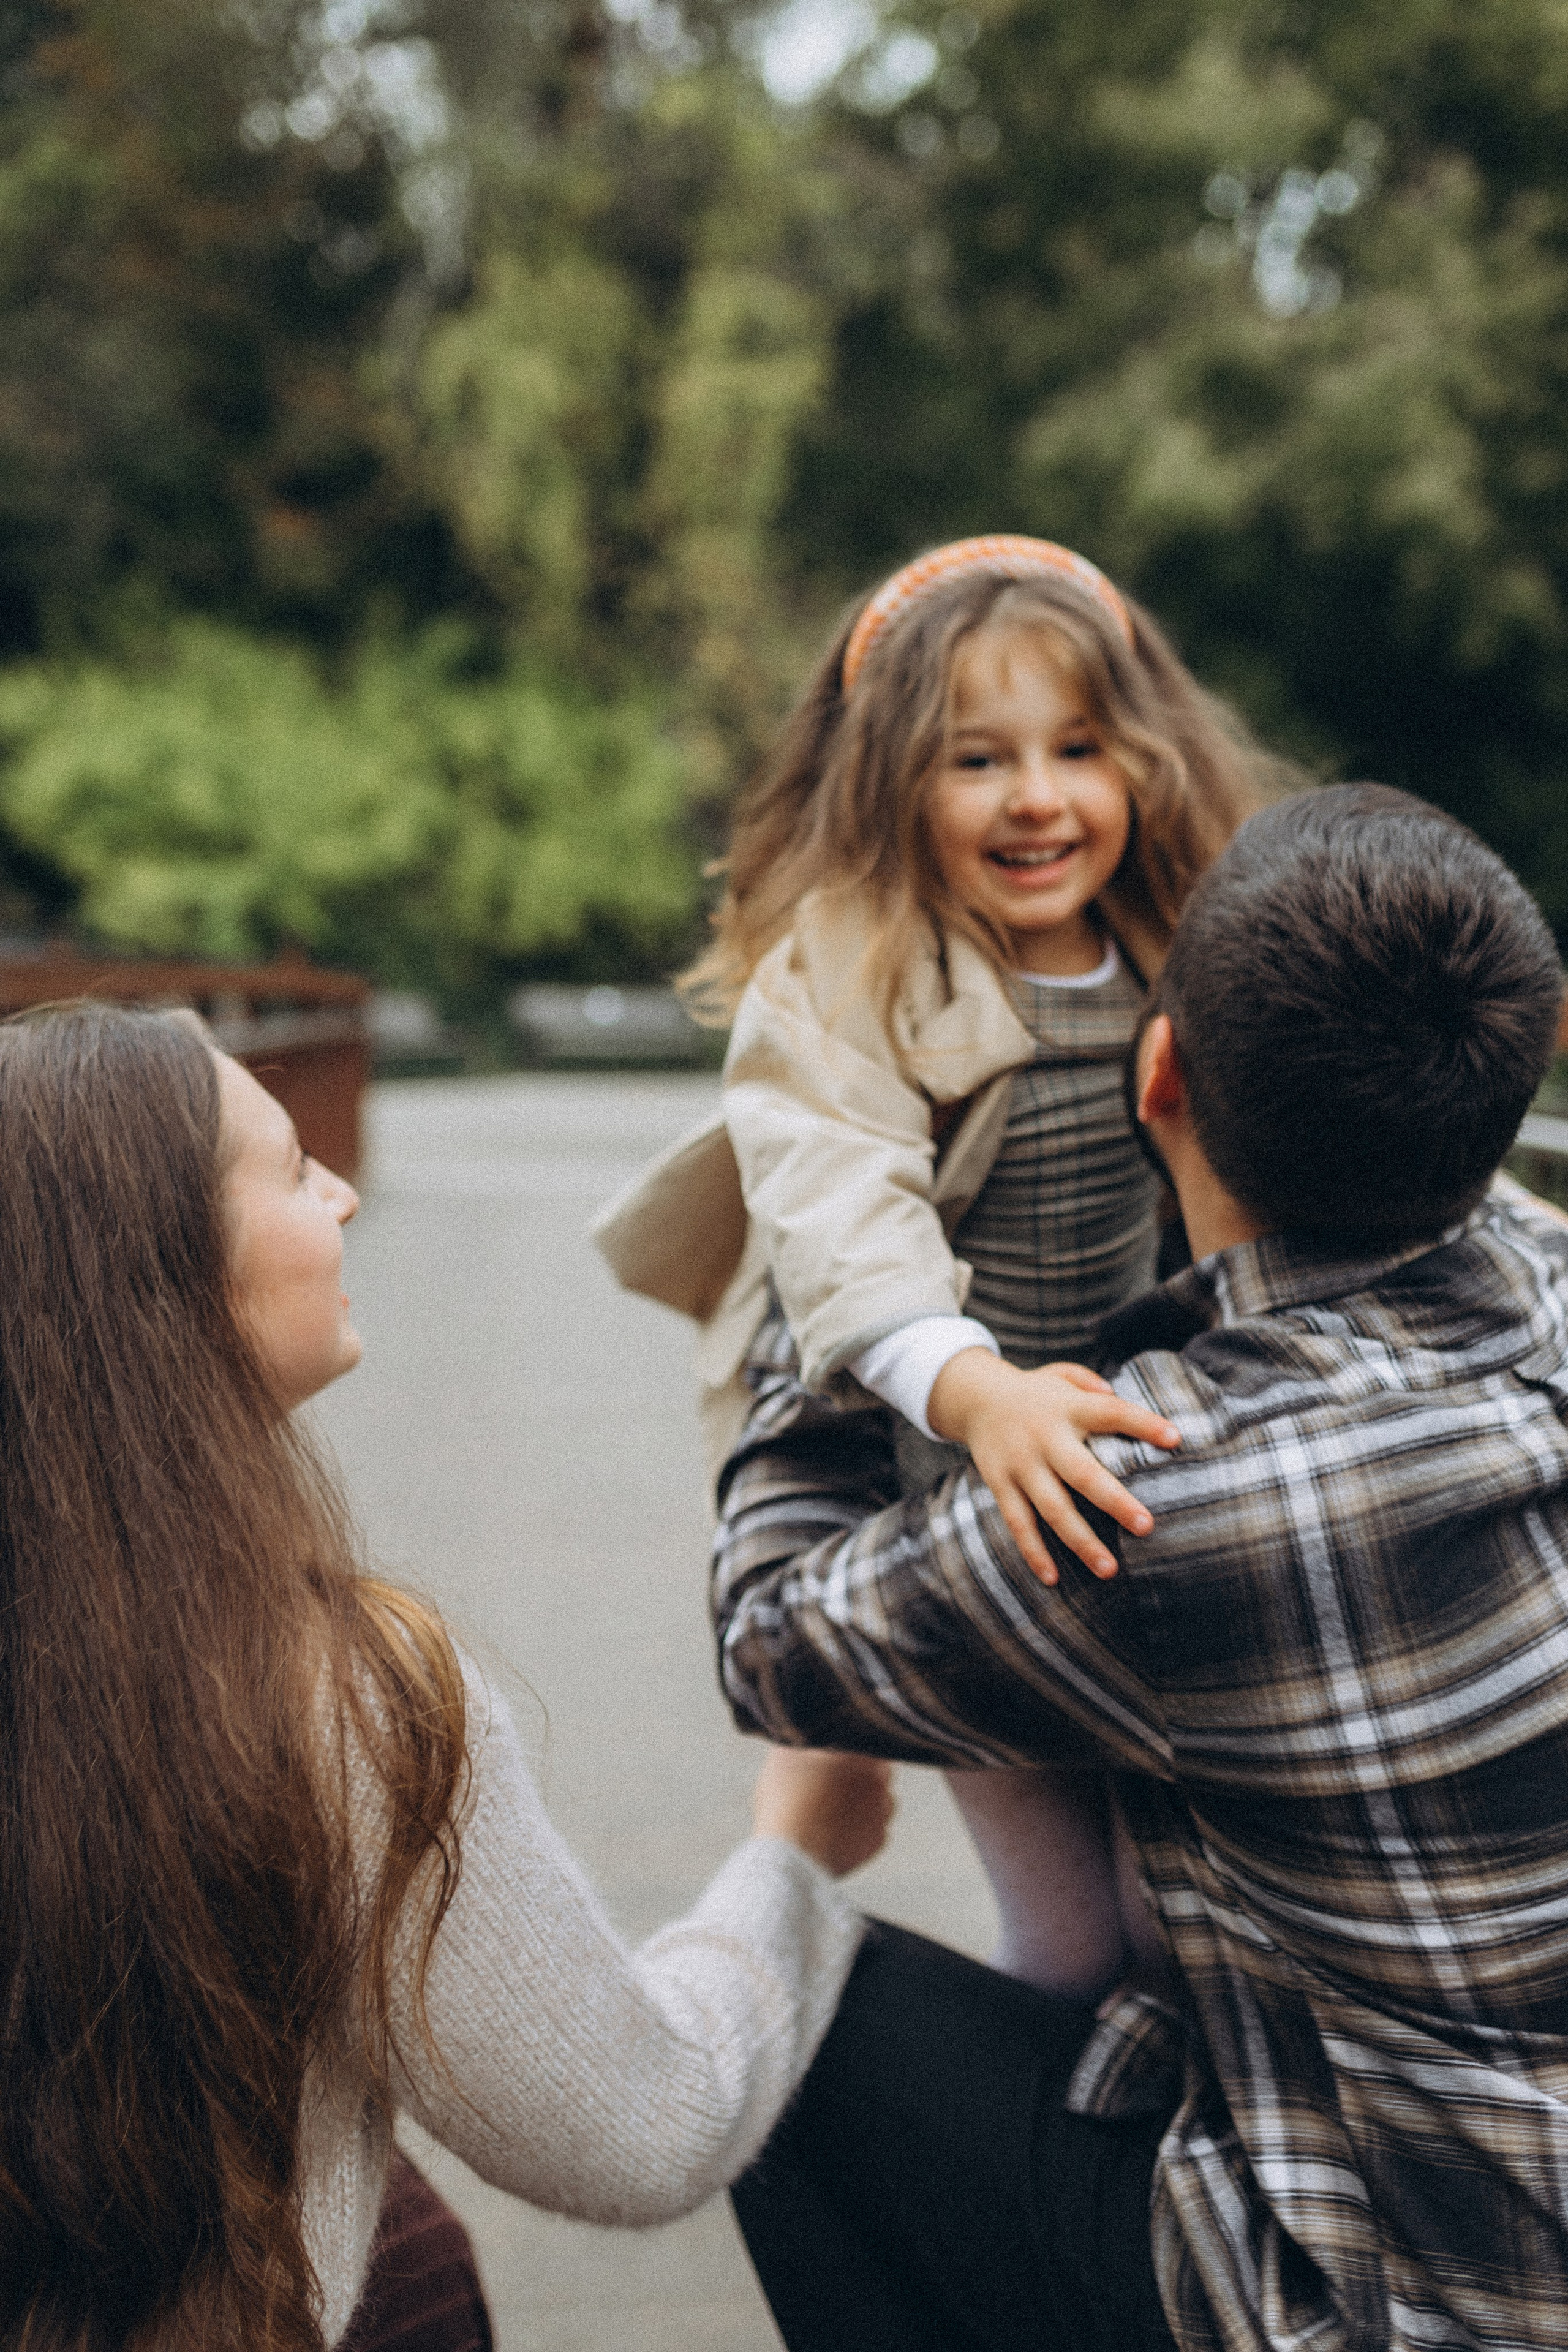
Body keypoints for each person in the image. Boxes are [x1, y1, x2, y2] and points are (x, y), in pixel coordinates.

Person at [710, 785, 1568, 2352]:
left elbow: (771, 1637)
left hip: (1406, 2301)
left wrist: (840, 1288)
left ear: (1155, 1068)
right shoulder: (1544, 1282)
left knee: (785, 2023)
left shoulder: (1168, 1490)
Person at [0, 1001, 891, 2351]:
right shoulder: (328, 1698)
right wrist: (795, 1854)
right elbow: (640, 2129)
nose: (347, 1197)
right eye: (297, 1170)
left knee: (410, 2236)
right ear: (169, 1270)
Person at [596, 532, 1301, 1996]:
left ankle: (1163, 2184)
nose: (1036, 797)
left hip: (1118, 1457)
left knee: (1177, 1914)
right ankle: (1037, 2192)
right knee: (1068, 1935)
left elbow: (1352, 1137)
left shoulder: (1182, 942)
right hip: (929, 1462)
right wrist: (974, 1396)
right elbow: (840, 1207)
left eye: (1077, 748)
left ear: (1144, 763)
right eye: (975, 760)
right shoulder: (847, 968)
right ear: (888, 781)